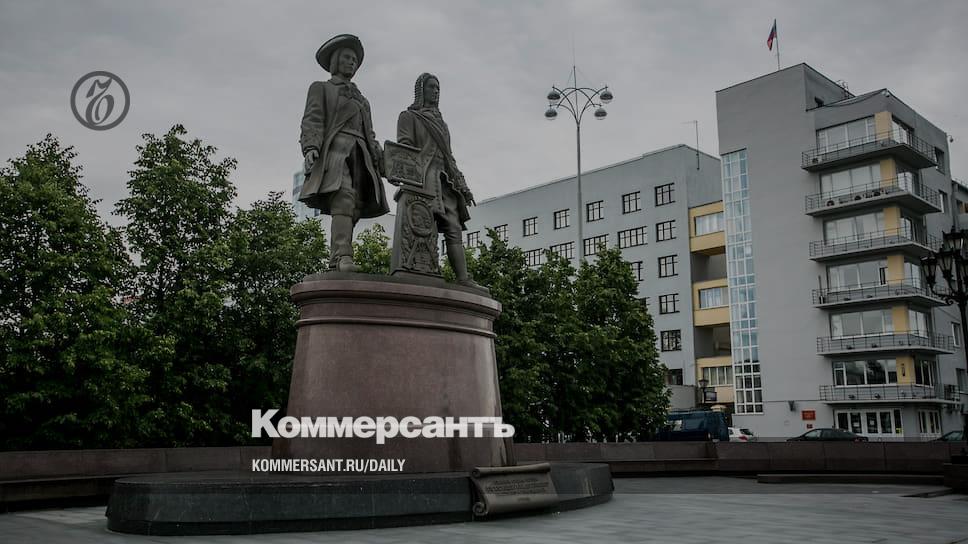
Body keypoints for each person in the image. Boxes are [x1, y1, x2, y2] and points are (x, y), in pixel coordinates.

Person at [298, 34, 388, 272]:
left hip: (361, 155)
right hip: (337, 153)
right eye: (347, 58)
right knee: (344, 198)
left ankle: (335, 258)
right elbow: (312, 119)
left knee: (355, 206)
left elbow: (370, 134)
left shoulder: (363, 100)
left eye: (355, 60)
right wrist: (311, 147)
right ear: (336, 61)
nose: (351, 63)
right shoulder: (321, 88)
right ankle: (343, 256)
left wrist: (383, 161)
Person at [396, 73, 480, 288]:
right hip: (422, 179)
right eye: (431, 87)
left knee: (454, 228)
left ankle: (463, 278)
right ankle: (418, 269)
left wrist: (463, 186)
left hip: (444, 181)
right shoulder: (409, 117)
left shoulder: (443, 124)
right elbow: (404, 148)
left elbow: (450, 158)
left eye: (438, 88)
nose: (435, 91)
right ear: (421, 90)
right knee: (422, 227)